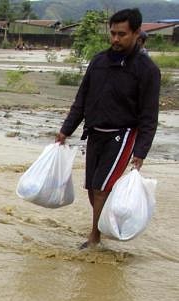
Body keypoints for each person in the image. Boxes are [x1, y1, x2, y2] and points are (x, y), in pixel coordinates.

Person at [56, 8, 160, 249]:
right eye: (112, 33)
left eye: (121, 34)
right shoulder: (99, 61)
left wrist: (141, 152)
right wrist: (66, 130)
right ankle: (111, 221)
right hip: (95, 133)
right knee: (93, 189)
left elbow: (149, 116)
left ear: (136, 33)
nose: (115, 39)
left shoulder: (147, 70)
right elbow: (81, 99)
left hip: (123, 135)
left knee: (101, 187)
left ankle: (95, 238)